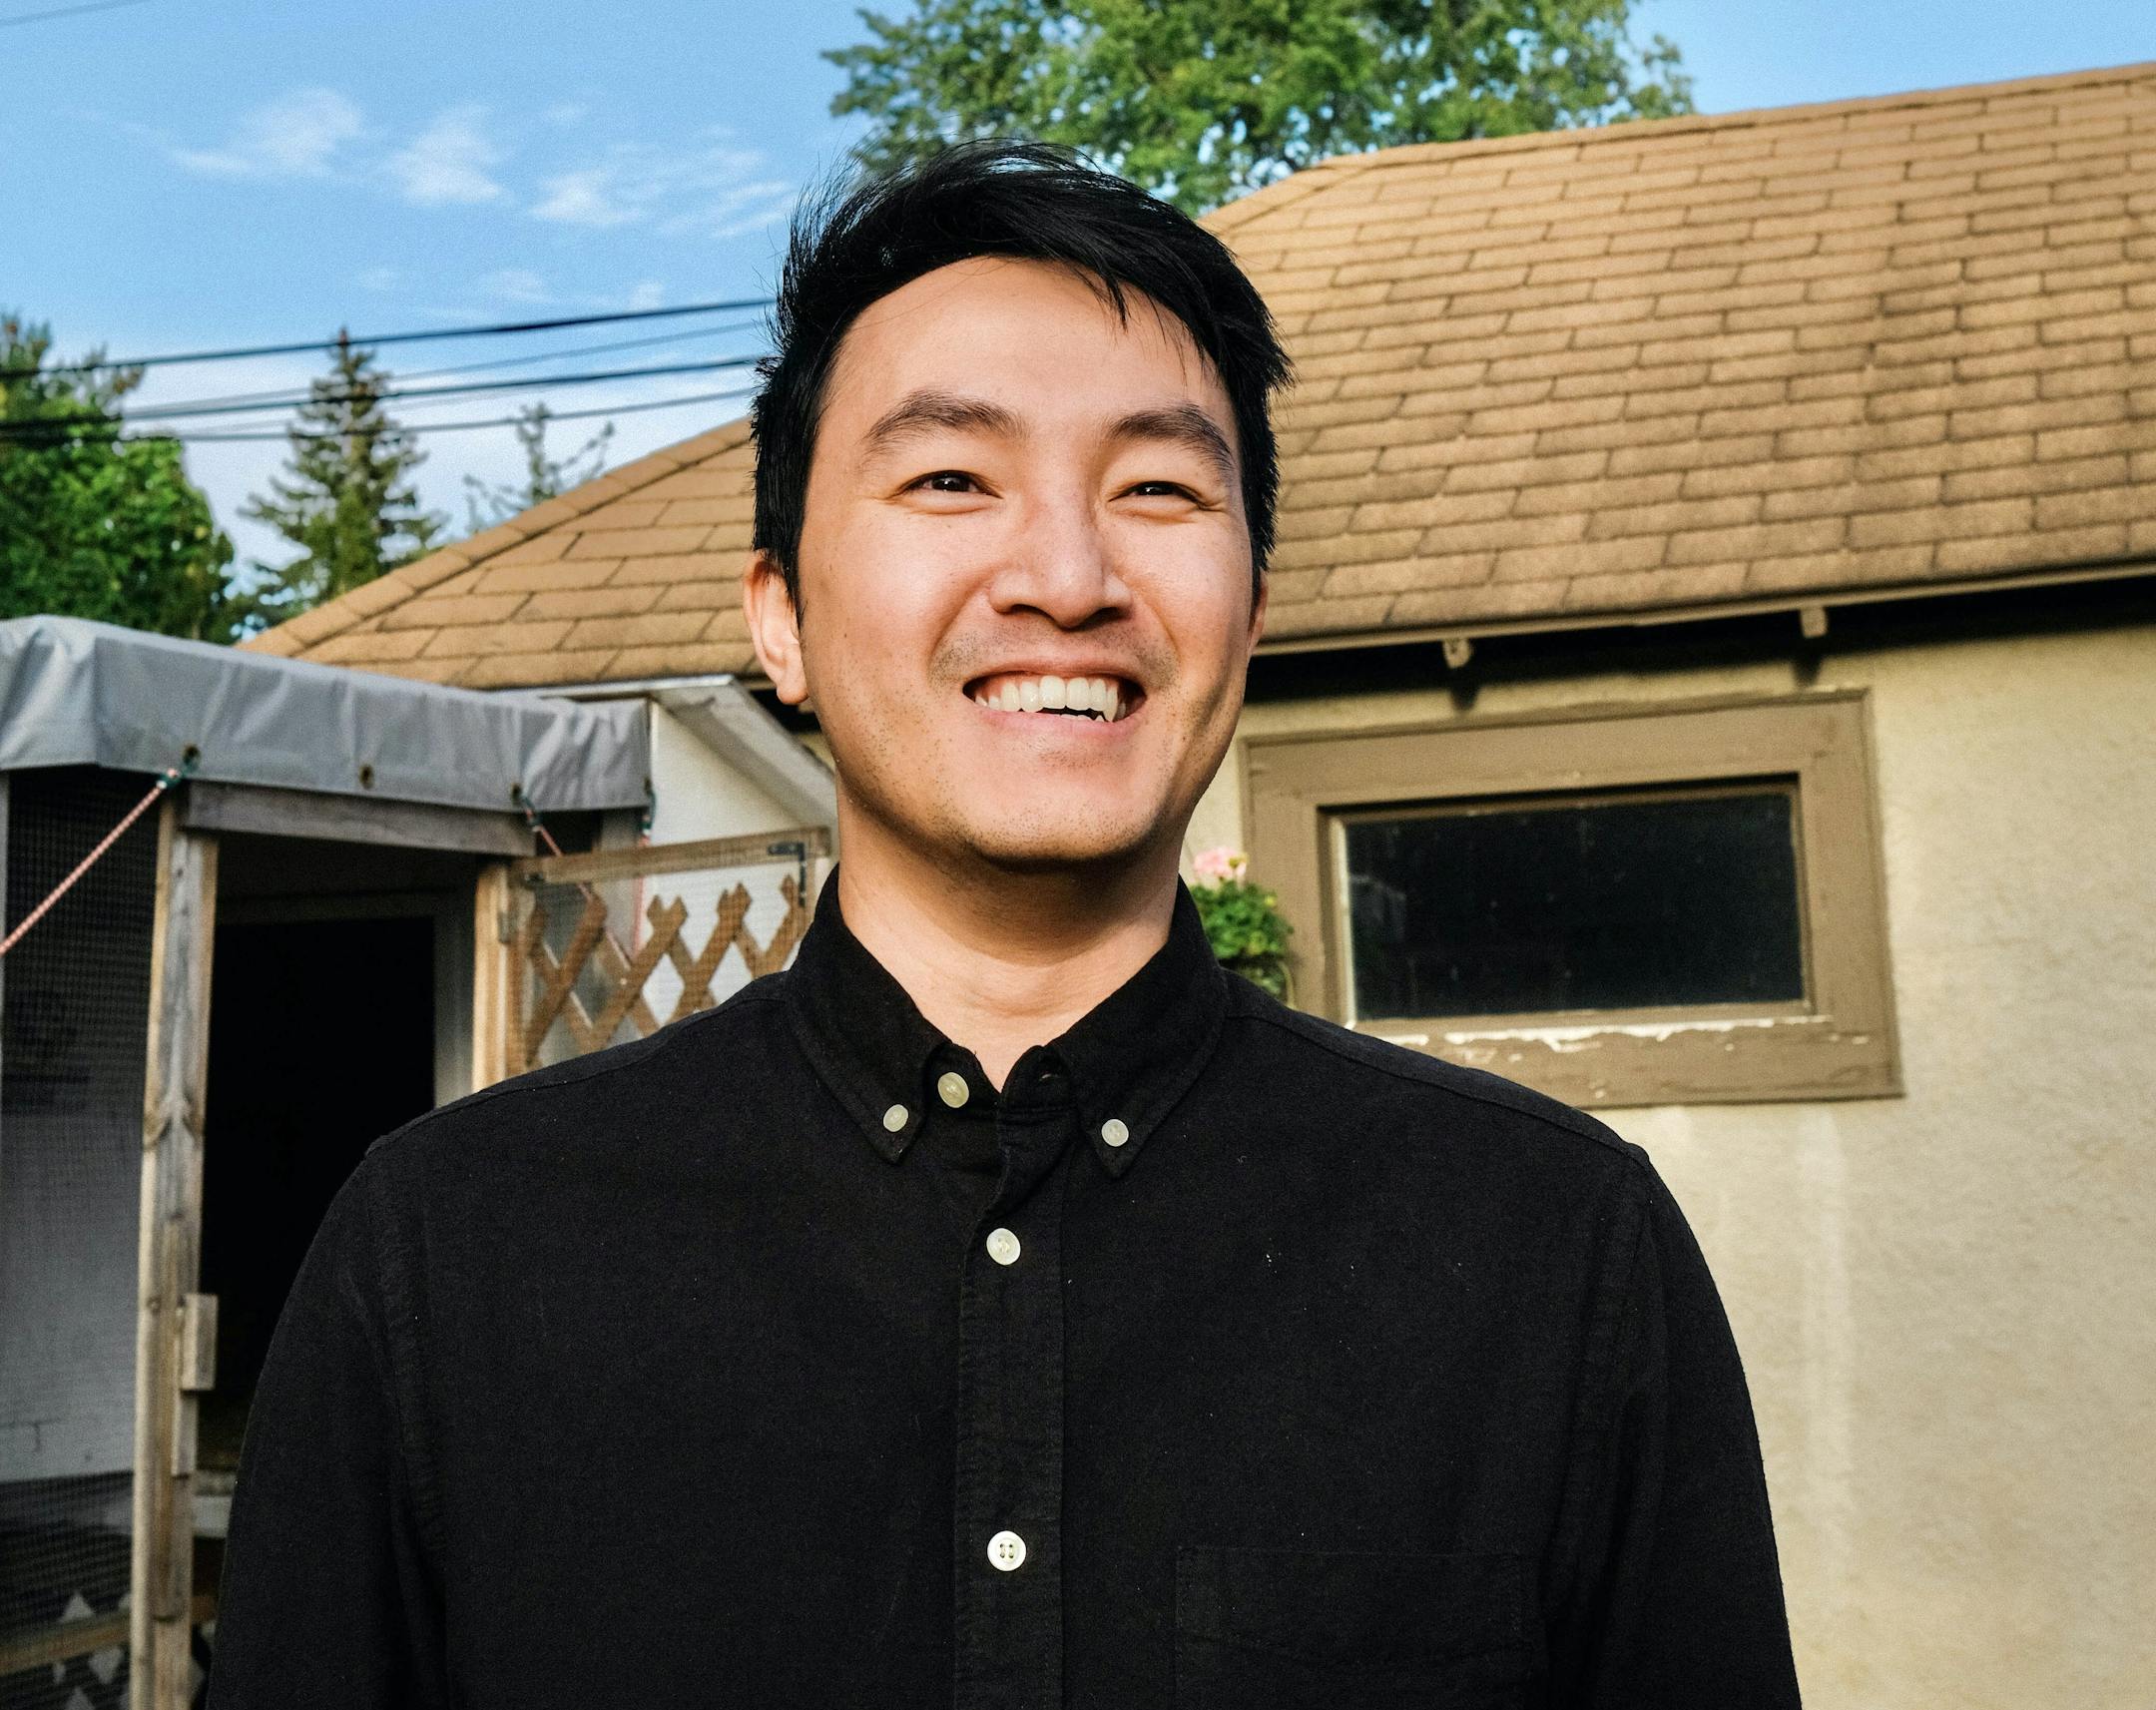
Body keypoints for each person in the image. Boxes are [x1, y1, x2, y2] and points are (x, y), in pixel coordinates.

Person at [208, 142, 1801, 1708]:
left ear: (1251, 611)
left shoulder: (1561, 1250)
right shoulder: (446, 1255)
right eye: (952, 476)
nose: (1065, 572)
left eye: (1161, 487)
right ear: (782, 616)